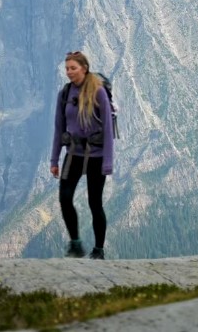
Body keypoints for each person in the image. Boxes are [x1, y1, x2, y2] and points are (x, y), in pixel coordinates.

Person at [50, 51, 114, 260]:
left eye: (73, 68)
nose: (69, 72)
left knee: (94, 203)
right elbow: (59, 128)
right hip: (73, 154)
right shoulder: (65, 94)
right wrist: (54, 160)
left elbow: (107, 131)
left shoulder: (98, 92)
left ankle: (99, 250)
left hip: (95, 156)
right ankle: (76, 243)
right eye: (67, 68)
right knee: (65, 198)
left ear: (84, 68)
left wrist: (108, 162)